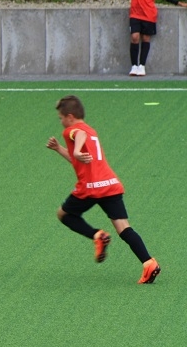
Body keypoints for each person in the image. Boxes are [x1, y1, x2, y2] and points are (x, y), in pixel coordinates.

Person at [46, 95, 160, 284]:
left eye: (61, 118)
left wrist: (76, 150)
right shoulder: (91, 130)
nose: (61, 122)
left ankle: (97, 235)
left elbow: (78, 137)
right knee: (124, 228)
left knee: (63, 215)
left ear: (70, 116)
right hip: (110, 184)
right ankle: (149, 263)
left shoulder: (72, 130)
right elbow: (79, 160)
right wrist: (60, 149)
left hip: (90, 187)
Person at [113, 0, 187, 76]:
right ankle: (134, 66)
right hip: (135, 13)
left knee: (146, 38)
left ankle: (142, 66)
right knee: (135, 37)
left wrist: (179, 3)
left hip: (149, 14)